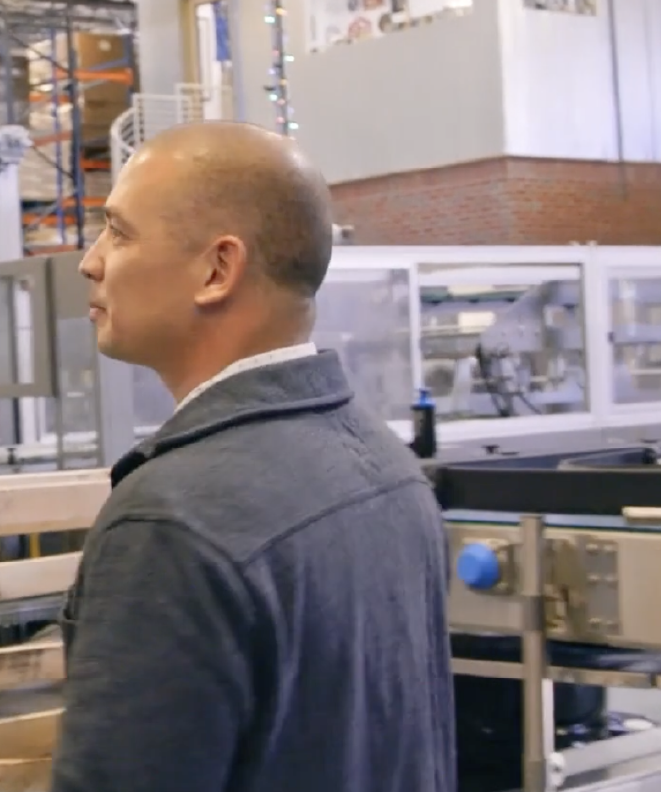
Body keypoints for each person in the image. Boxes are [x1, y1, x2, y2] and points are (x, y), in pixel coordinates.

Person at [51, 122, 456, 792]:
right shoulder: (388, 469)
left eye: (117, 232)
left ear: (216, 270)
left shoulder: (172, 522)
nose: (89, 261)